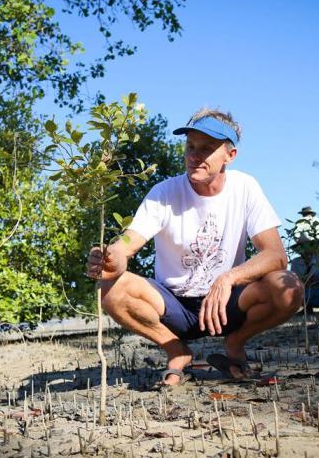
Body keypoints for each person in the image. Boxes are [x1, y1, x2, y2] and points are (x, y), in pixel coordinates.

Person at [85, 108, 304, 386]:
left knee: (288, 286)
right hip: (174, 306)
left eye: (206, 148)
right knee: (111, 286)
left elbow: (276, 255)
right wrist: (110, 256)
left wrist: (228, 279)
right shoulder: (164, 193)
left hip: (228, 304)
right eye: (190, 146)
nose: (194, 156)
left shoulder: (246, 188)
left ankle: (235, 343)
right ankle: (175, 350)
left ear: (230, 155)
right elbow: (128, 241)